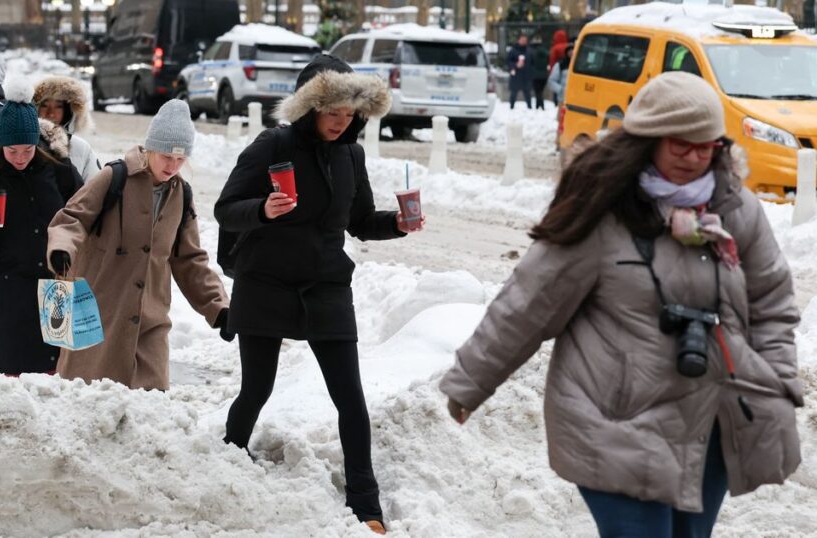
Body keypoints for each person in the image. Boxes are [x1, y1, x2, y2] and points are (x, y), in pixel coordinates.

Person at [440, 72, 802, 538]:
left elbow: (772, 302)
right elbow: (528, 302)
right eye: (681, 145)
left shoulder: (735, 208)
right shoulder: (602, 209)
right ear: (649, 140)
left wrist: (776, 380)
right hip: (616, 420)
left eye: (707, 146)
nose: (696, 158)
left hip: (709, 420)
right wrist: (472, 381)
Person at [214, 54, 425, 536]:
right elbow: (226, 208)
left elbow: (360, 221)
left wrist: (396, 223)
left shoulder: (351, 155)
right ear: (309, 108)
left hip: (327, 284)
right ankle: (228, 457)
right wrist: (264, 209)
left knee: (350, 397)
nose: (341, 122)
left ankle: (365, 504)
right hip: (266, 282)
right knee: (257, 389)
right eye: (332, 112)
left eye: (350, 113)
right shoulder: (273, 144)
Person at [46, 99, 231, 391]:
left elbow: (190, 260)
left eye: (180, 159)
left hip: (150, 322)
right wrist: (62, 248)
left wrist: (218, 307)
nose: (173, 166)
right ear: (151, 148)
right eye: (167, 156)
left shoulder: (181, 195)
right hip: (98, 314)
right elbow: (73, 217)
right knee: (90, 400)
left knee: (150, 404)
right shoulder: (114, 177)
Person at [0, 81, 83, 375]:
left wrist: (69, 249)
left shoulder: (60, 171)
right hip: (10, 292)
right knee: (15, 376)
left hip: (56, 287)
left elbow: (84, 220)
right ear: (1, 146)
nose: (20, 158)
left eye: (27, 149)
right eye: (12, 150)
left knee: (60, 375)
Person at [33, 75, 100, 181]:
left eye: (58, 107)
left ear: (68, 111)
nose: (51, 113)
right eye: (45, 105)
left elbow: (94, 186)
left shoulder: (81, 148)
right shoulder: (24, 145)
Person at [507, 34, 533, 110]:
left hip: (526, 75)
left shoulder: (529, 51)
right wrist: (515, 65)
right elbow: (508, 62)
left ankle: (529, 107)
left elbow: (532, 62)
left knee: (527, 93)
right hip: (516, 75)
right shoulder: (513, 50)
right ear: (519, 40)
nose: (524, 41)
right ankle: (511, 107)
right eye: (522, 40)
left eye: (525, 40)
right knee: (513, 93)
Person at [529, 35, 550, 110]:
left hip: (535, 74)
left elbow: (530, 62)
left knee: (537, 91)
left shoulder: (532, 51)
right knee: (540, 91)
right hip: (544, 75)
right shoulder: (545, 51)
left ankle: (540, 105)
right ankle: (539, 105)